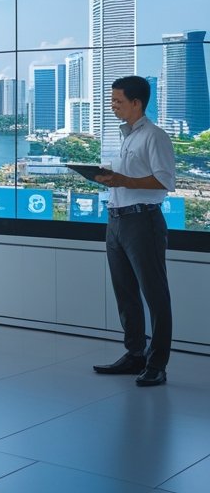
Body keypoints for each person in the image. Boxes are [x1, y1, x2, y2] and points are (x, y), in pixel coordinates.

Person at [92, 75, 175, 387]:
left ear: (137, 103)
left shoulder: (155, 136)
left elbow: (165, 181)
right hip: (116, 221)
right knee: (125, 293)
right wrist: (109, 178)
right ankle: (135, 354)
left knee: (155, 295)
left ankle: (157, 364)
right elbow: (129, 177)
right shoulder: (127, 137)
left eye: (118, 101)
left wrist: (124, 181)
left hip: (143, 222)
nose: (112, 107)